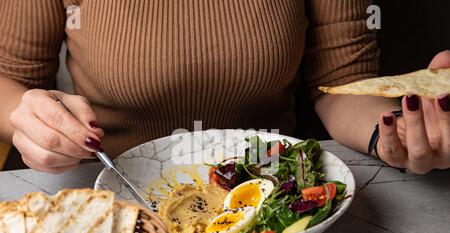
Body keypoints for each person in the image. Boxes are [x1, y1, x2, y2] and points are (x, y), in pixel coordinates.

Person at [0, 0, 449, 174]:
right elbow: (11, 82)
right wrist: (33, 116)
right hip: (114, 192)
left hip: (277, 196)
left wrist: (402, 131)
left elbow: (345, 85)